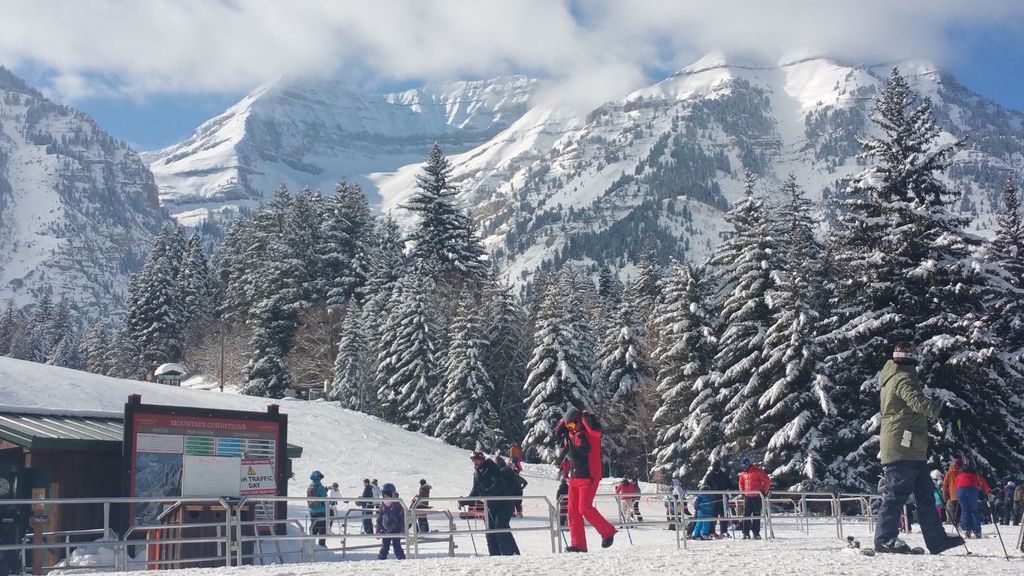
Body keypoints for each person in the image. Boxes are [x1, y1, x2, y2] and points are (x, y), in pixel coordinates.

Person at [874, 342, 964, 555]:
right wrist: (940, 411)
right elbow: (916, 401)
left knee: (925, 494)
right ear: (911, 359)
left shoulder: (896, 376)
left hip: (911, 447)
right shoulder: (902, 378)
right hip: (901, 448)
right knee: (896, 493)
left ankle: (936, 540)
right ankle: (885, 538)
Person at [555, 407, 617, 553]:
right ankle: (578, 544)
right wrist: (563, 427)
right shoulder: (572, 434)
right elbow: (560, 435)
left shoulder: (589, 433)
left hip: (589, 476)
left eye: (572, 424)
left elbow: (590, 439)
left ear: (579, 421)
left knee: (584, 507)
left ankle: (607, 532)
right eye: (568, 425)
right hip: (575, 477)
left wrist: (584, 419)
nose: (570, 428)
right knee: (573, 511)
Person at [465, 452, 518, 556]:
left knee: (500, 527)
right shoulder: (477, 473)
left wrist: (487, 492)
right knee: (490, 531)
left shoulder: (492, 468)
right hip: (491, 505)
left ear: (481, 459)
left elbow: (497, 483)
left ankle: (510, 554)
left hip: (504, 503)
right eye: (473, 460)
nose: (474, 462)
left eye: (476, 460)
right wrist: (466, 500)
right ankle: (494, 555)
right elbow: (475, 490)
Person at [954, 461, 990, 539]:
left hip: (960, 491)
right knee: (973, 510)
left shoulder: (960, 475)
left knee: (965, 510)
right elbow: (983, 483)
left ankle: (966, 529)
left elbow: (955, 485)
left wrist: (956, 494)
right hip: (972, 491)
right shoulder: (975, 475)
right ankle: (977, 531)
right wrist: (987, 491)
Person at [737, 457, 770, 539]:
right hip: (748, 496)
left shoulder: (757, 471)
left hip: (757, 496)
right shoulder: (743, 474)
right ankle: (745, 533)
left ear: (748, 465)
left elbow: (767, 481)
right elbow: (741, 483)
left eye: (745, 466)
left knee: (756, 514)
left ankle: (756, 532)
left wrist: (764, 492)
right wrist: (743, 492)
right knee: (746, 515)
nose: (744, 468)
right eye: (742, 466)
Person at [376, 482, 406, 560]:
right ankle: (381, 559)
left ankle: (401, 559)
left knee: (397, 547)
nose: (386, 497)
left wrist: (402, 530)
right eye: (384, 495)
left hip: (396, 530)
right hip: (385, 530)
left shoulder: (398, 504)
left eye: (388, 494)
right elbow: (379, 518)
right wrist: (378, 530)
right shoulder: (382, 505)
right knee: (384, 547)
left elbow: (402, 518)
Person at [705, 459, 733, 538]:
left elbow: (729, 484)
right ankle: (712, 532)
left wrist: (736, 486)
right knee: (713, 516)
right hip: (713, 499)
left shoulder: (724, 475)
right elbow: (706, 486)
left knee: (724, 515)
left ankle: (724, 531)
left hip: (722, 498)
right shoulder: (710, 476)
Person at [306, 470, 328, 547]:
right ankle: (322, 545)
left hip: (312, 510)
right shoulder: (320, 487)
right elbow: (325, 497)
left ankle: (312, 545)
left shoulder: (309, 487)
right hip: (321, 510)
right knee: (322, 528)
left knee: (314, 527)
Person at [941, 458, 963, 527]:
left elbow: (945, 485)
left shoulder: (949, 472)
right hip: (962, 494)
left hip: (953, 495)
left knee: (955, 512)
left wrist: (945, 495)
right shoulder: (962, 472)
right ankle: (964, 525)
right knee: (962, 510)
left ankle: (957, 525)